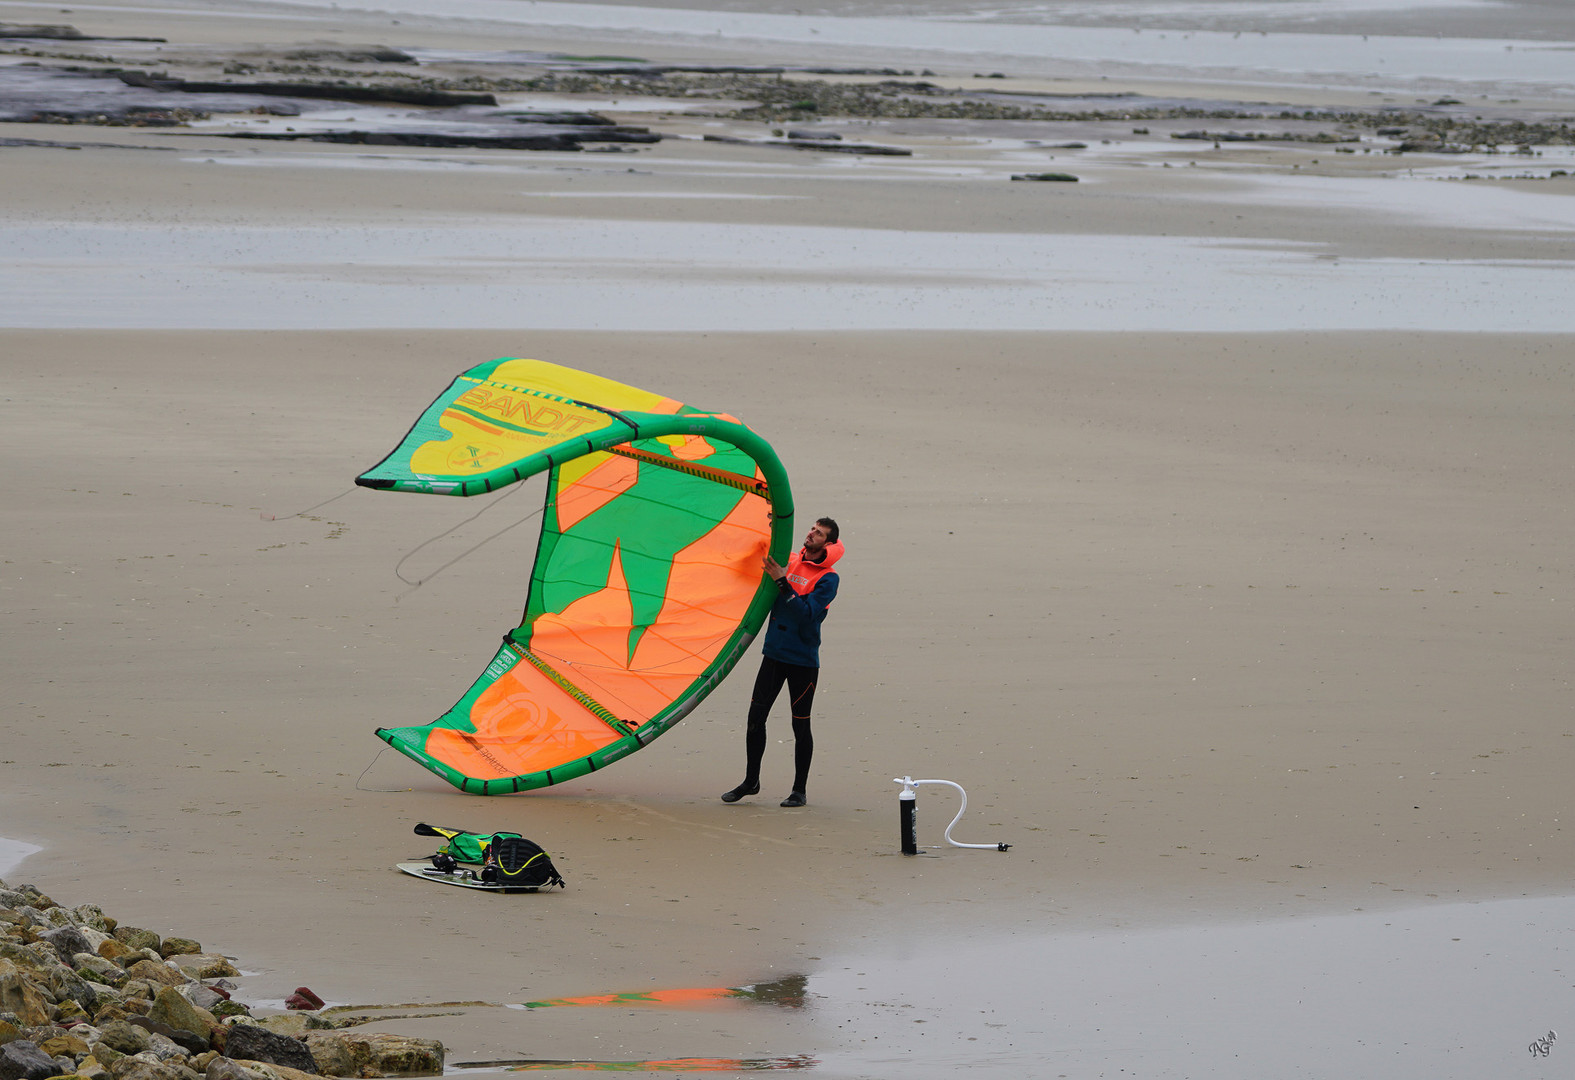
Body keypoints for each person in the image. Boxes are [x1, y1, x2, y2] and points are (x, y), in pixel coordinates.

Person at [721, 517, 843, 808]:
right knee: (755, 719)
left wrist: (781, 580)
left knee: (800, 726)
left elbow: (807, 614)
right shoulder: (788, 560)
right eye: (812, 529)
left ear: (827, 544)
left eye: (819, 533)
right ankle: (751, 782)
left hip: (803, 661)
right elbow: (750, 558)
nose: (811, 534)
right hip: (773, 655)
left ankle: (799, 790)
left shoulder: (828, 578)